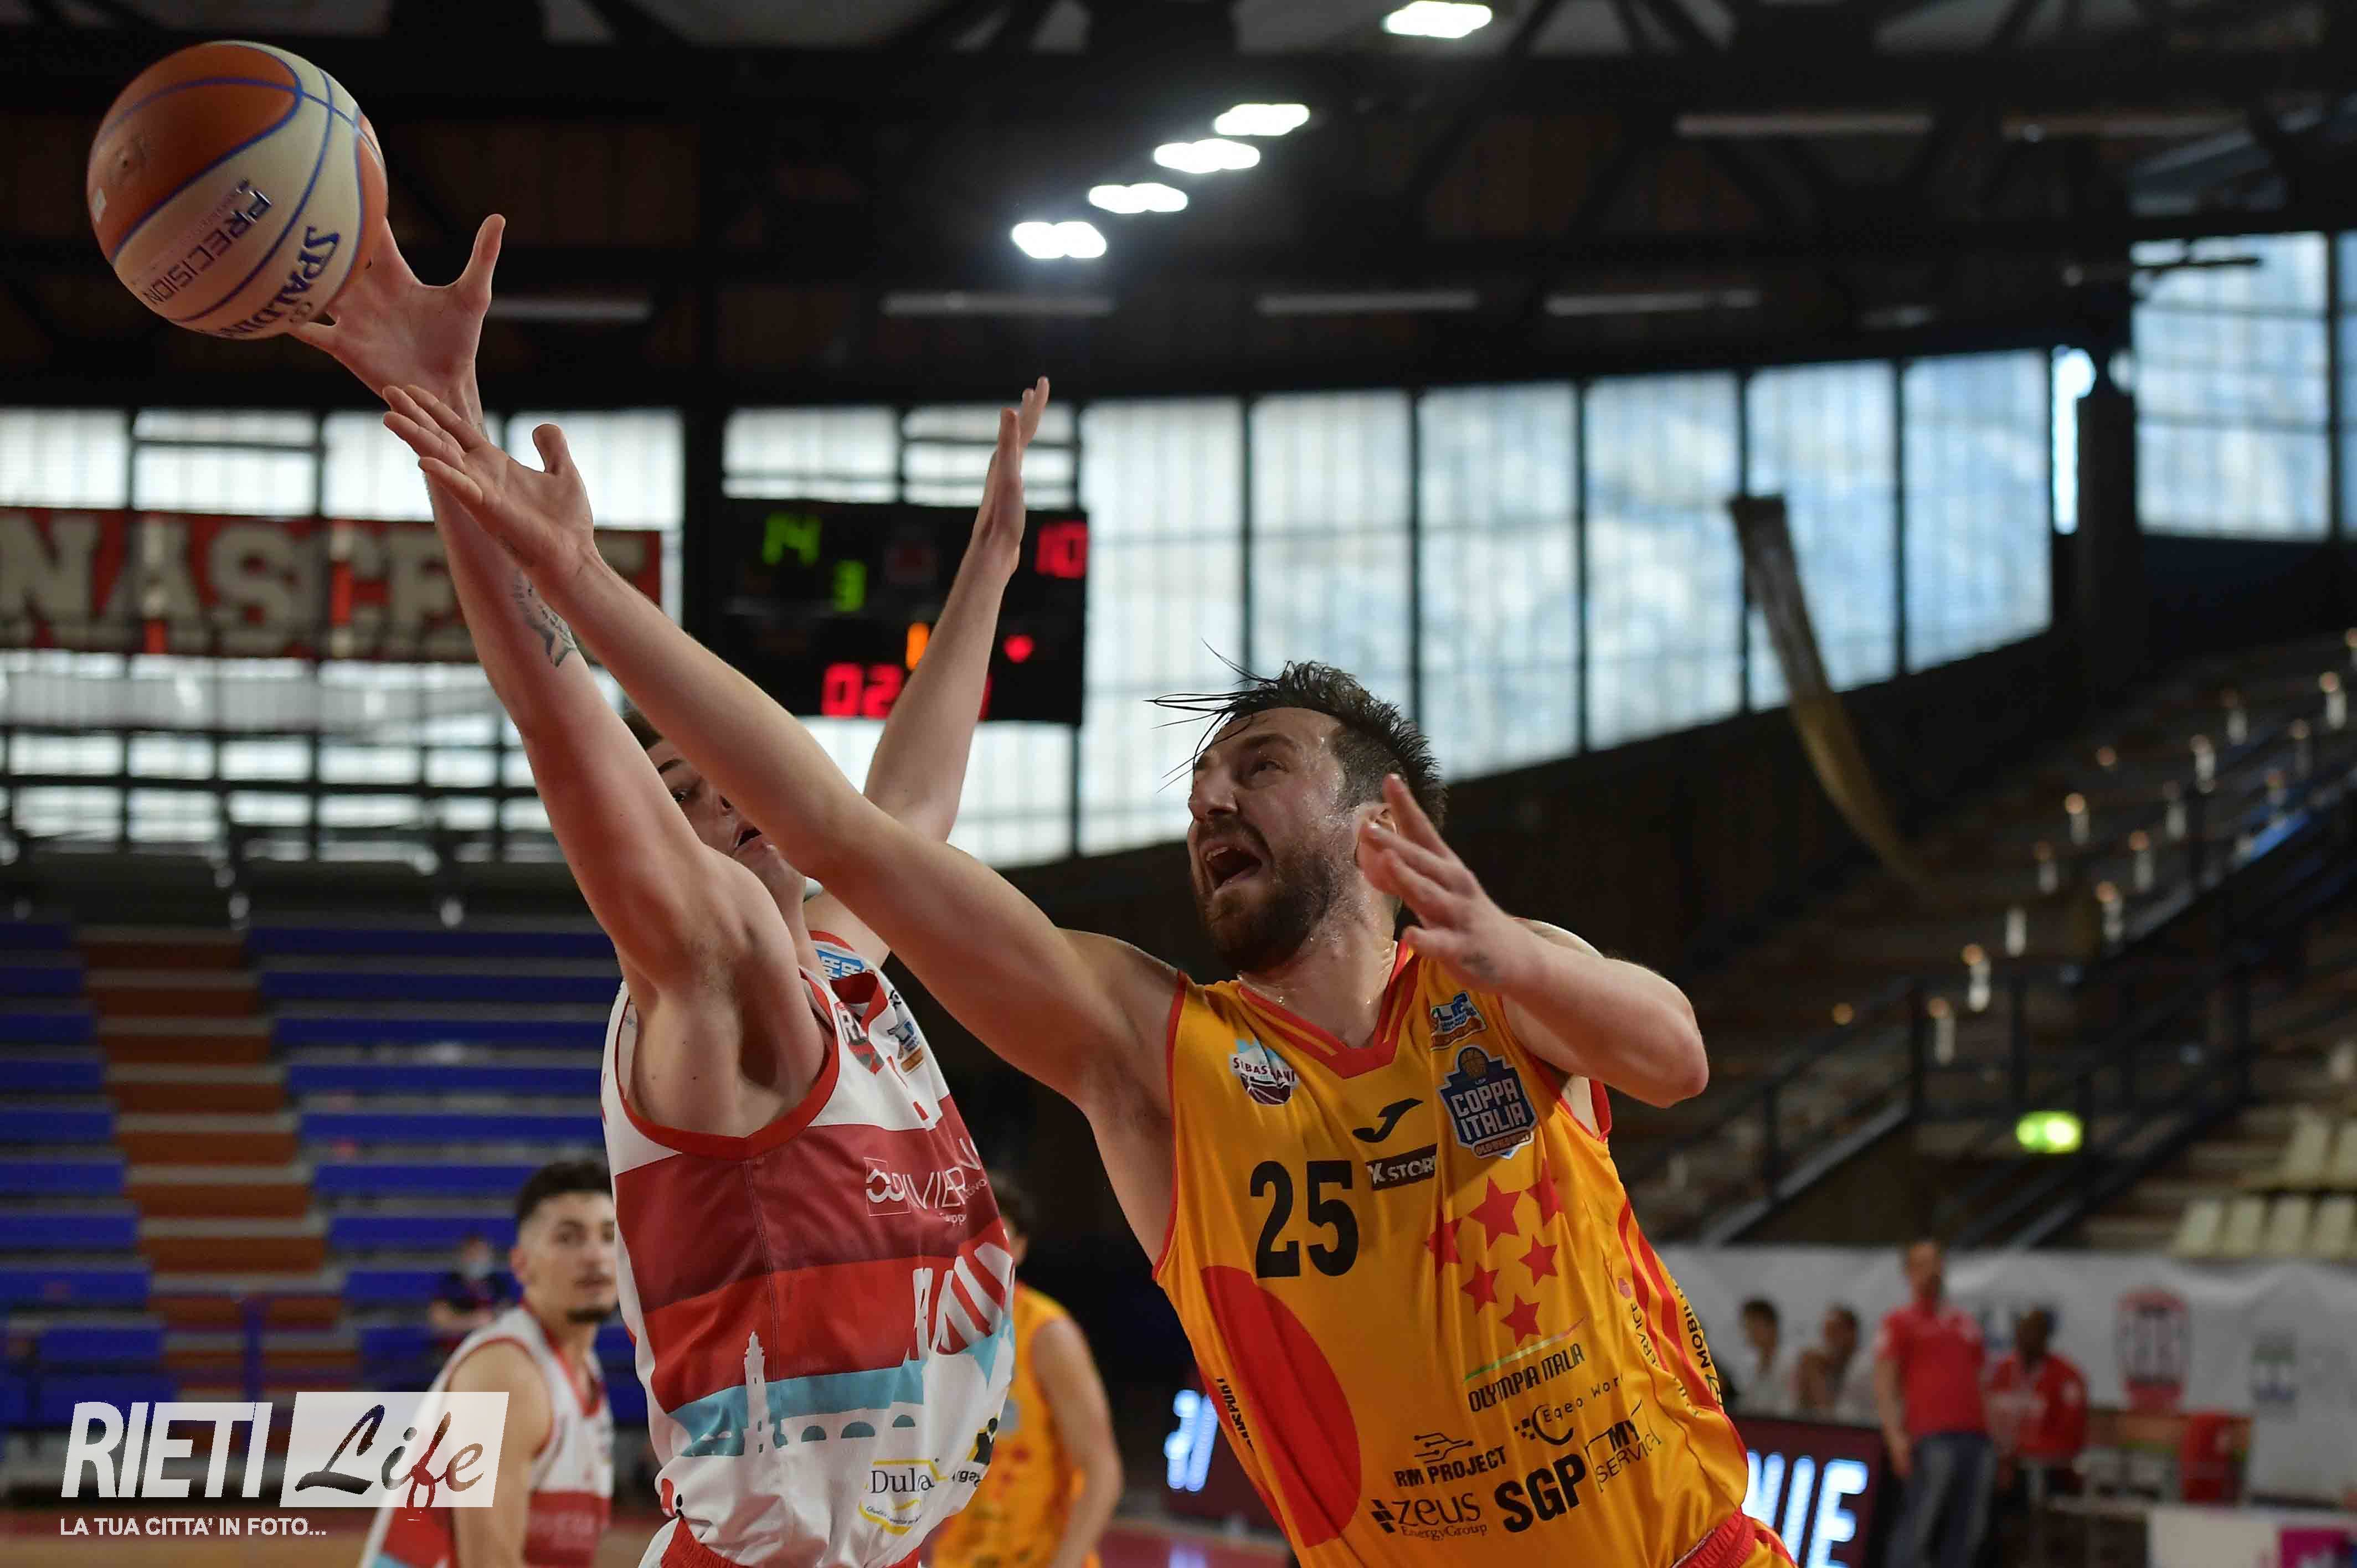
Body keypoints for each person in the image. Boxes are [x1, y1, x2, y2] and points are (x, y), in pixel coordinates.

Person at [376, 375, 1793, 1568]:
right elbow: (840, 827)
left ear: (1382, 819)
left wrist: (992, 563)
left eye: (1258, 767)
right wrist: (578, 584)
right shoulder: (1141, 1041)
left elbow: (1673, 1054)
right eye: (1198, 787)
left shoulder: (1506, 983)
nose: (1209, 800)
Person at [300, 213, 1022, 1568]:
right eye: (684, 788)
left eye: (735, 771)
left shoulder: (835, 965)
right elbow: (558, 716)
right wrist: (449, 421)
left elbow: (911, 808)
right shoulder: (716, 971)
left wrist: (989, 559)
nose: (729, 794)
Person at [362, 1160, 619, 1568]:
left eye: (609, 1236)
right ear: (521, 1265)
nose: (595, 1255)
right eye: (568, 1238)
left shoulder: (586, 1369)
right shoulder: (507, 1374)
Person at [931, 1170, 1122, 1568]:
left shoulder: (1048, 1336)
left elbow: (1102, 1471)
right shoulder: (930, 1331)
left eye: (994, 1237)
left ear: (1018, 1248)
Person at [1873, 1240, 1993, 1568]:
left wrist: (1996, 1439)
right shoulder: (1899, 1322)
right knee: (1919, 1523)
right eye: (1923, 1264)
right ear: (1909, 1273)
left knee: (1970, 1529)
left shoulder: (1966, 1324)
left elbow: (1982, 1382)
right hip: (1930, 1438)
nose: (1932, 1271)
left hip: (1976, 1438)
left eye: (1936, 1263)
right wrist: (1895, 1437)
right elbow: (1884, 1383)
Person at [1793, 1305, 1877, 1426]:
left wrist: (1815, 1376)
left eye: (1834, 1332)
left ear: (1852, 1334)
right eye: (1826, 1333)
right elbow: (1799, 1412)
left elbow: (1836, 1420)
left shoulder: (1865, 1368)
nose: (1829, 1340)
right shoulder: (1828, 1365)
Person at [429, 1232, 517, 1345]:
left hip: (490, 1348)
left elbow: (507, 1316)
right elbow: (440, 1322)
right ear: (462, 1256)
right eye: (472, 1254)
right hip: (455, 1349)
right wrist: (474, 1321)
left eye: (480, 1253)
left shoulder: (499, 1284)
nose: (476, 1259)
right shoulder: (449, 1284)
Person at [1732, 1298, 1794, 1418]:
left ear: (1771, 1326)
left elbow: (1790, 1408)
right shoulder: (1749, 1366)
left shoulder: (1791, 1363)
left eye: (1754, 1326)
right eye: (1748, 1327)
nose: (1749, 1333)